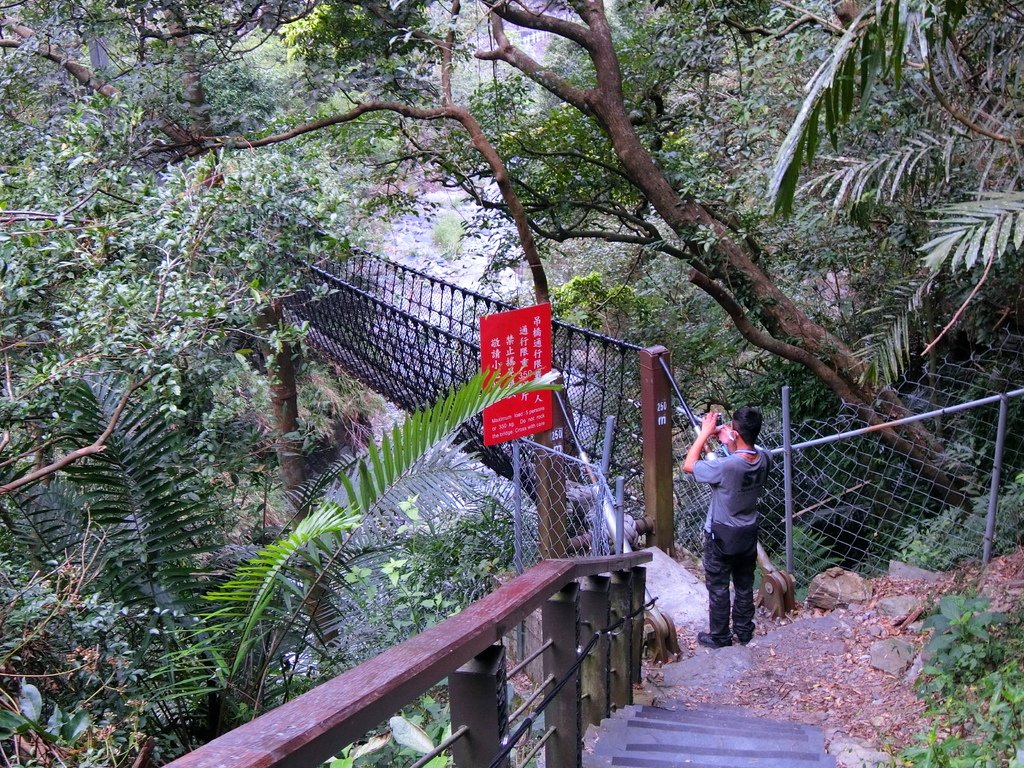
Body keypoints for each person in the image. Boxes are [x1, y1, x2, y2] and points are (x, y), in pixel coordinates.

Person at [682, 407, 771, 648]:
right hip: (748, 532)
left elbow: (689, 465)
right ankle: (744, 631)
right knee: (744, 585)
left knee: (719, 587)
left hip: (721, 534)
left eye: (732, 428)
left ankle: (720, 636)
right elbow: (749, 451)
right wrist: (727, 437)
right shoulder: (764, 459)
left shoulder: (726, 467)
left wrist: (705, 433)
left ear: (737, 434)